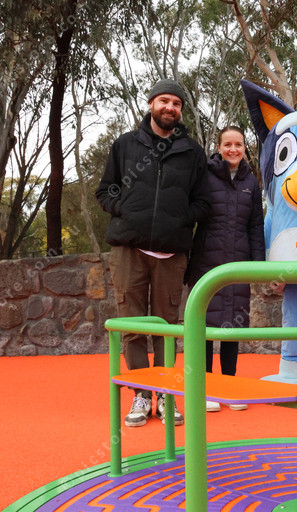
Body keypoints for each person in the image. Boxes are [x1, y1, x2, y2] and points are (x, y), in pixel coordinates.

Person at [96, 78, 211, 427]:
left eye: (176, 103)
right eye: (164, 101)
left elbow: (203, 202)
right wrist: (125, 210)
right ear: (151, 104)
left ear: (180, 110)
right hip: (128, 251)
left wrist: (179, 220)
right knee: (132, 327)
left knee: (167, 329)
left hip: (171, 255)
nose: (169, 108)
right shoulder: (125, 145)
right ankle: (141, 395)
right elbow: (104, 191)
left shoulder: (192, 152)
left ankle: (165, 396)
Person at [186, 126, 265, 412]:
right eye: (228, 144)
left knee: (234, 324)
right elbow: (190, 215)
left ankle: (229, 388)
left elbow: (255, 226)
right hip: (206, 261)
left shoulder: (251, 183)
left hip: (238, 263)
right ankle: (206, 389)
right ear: (219, 148)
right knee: (206, 326)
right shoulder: (204, 176)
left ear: (245, 148)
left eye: (239, 144)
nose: (233, 149)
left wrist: (258, 267)